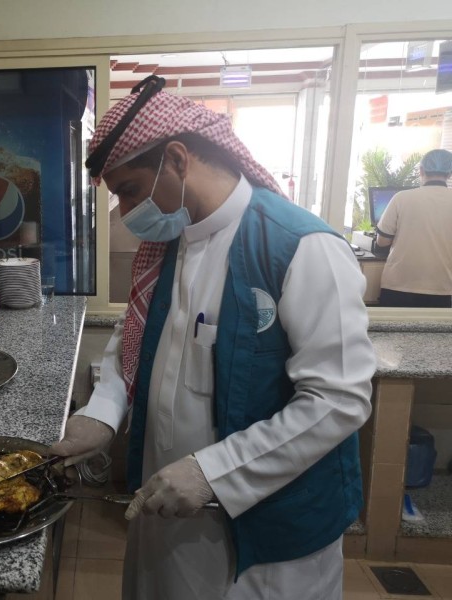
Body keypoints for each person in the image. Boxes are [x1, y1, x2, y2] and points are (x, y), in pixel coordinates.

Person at [48, 75, 376, 600]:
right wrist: (101, 414)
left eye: (129, 191)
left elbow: (338, 399)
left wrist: (214, 473)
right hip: (167, 507)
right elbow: (135, 341)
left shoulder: (301, 247)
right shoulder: (171, 241)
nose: (126, 213)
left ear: (177, 160)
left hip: (267, 537)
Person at [373, 148, 452, 308]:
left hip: (398, 285)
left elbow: (382, 242)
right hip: (441, 288)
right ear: (449, 174)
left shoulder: (402, 198)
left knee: (392, 325)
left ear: (421, 171)